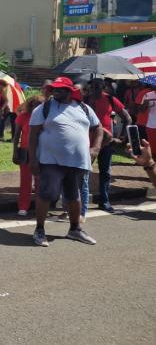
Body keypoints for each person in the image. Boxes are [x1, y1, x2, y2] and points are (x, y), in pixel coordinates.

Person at [28, 76, 102, 247]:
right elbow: (32, 135)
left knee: (73, 195)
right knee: (46, 194)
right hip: (50, 160)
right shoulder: (44, 108)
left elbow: (98, 128)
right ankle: (39, 230)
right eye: (54, 88)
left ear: (70, 91)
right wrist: (33, 160)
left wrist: (96, 148)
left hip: (76, 161)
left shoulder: (84, 108)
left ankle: (75, 229)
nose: (55, 91)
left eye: (60, 88)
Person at [85, 77, 131, 214]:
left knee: (105, 172)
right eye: (92, 87)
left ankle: (104, 201)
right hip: (88, 143)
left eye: (98, 87)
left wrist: (122, 138)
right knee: (85, 172)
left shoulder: (110, 99)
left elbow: (127, 117)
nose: (95, 90)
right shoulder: (85, 101)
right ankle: (83, 202)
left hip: (106, 142)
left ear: (103, 87)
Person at [12, 95, 44, 216]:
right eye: (35, 104)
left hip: (41, 152)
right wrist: (15, 151)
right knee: (25, 180)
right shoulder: (23, 117)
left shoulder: (45, 117)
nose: (37, 107)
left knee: (40, 181)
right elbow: (16, 136)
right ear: (30, 105)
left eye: (40, 105)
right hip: (25, 152)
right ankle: (23, 206)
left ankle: (39, 206)